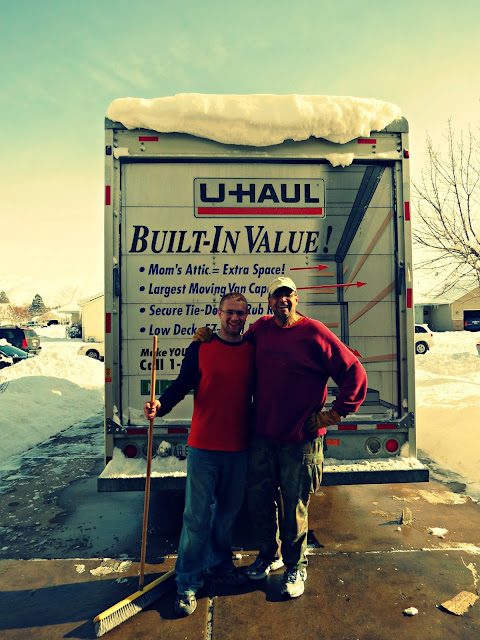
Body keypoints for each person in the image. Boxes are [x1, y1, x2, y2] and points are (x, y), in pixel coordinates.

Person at [194, 276, 367, 598]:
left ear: (296, 299)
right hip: (262, 437)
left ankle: (295, 566)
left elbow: (354, 371)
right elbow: (236, 347)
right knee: (259, 502)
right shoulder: (261, 329)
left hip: (300, 439)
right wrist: (207, 339)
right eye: (277, 296)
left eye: (288, 295)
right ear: (269, 301)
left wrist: (335, 413)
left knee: (294, 506)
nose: (282, 301)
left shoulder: (314, 332)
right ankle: (267, 555)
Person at [143, 291, 254, 616]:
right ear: (219, 314)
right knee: (196, 517)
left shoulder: (252, 349)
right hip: (204, 447)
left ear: (246, 317)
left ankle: (220, 566)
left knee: (227, 514)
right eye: (229, 312)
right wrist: (160, 405)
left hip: (238, 448)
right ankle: (188, 583)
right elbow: (181, 385)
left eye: (241, 313)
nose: (235, 318)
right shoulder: (201, 347)